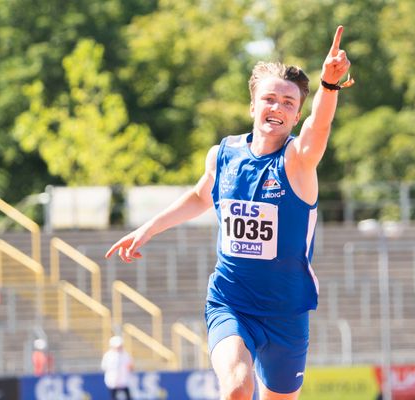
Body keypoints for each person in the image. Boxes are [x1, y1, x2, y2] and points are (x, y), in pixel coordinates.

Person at [105, 26, 352, 399]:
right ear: (253, 106)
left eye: (288, 103)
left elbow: (320, 127)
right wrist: (149, 229)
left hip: (287, 311)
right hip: (231, 300)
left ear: (296, 116)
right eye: (270, 99)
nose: (278, 108)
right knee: (236, 387)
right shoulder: (222, 156)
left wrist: (328, 87)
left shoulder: (298, 162)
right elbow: (199, 197)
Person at [101, 335, 134, 400]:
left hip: (124, 380)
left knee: (128, 397)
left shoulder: (125, 355)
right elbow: (104, 367)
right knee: (113, 397)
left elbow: (131, 366)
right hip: (112, 381)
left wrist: (129, 368)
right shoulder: (108, 355)